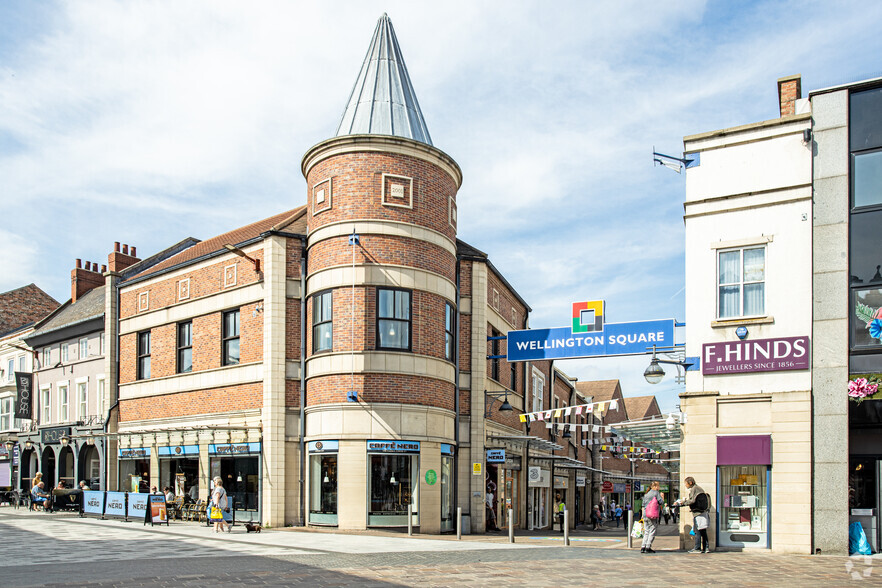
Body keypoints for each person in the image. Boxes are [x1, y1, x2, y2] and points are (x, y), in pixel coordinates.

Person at [676, 476, 710, 553]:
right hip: (702, 512)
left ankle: (697, 548)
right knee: (703, 531)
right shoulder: (699, 488)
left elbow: (692, 500)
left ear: (690, 482)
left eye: (686, 484)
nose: (685, 485)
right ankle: (706, 547)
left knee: (697, 531)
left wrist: (683, 503)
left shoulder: (694, 489)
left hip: (698, 513)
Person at [640, 481, 665, 553]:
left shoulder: (646, 494)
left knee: (646, 531)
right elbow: (661, 502)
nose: (659, 487)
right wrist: (662, 497)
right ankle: (648, 546)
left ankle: (643, 546)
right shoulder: (656, 493)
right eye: (658, 486)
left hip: (645, 514)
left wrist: (642, 515)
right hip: (652, 514)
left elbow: (643, 505)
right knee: (652, 530)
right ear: (656, 486)